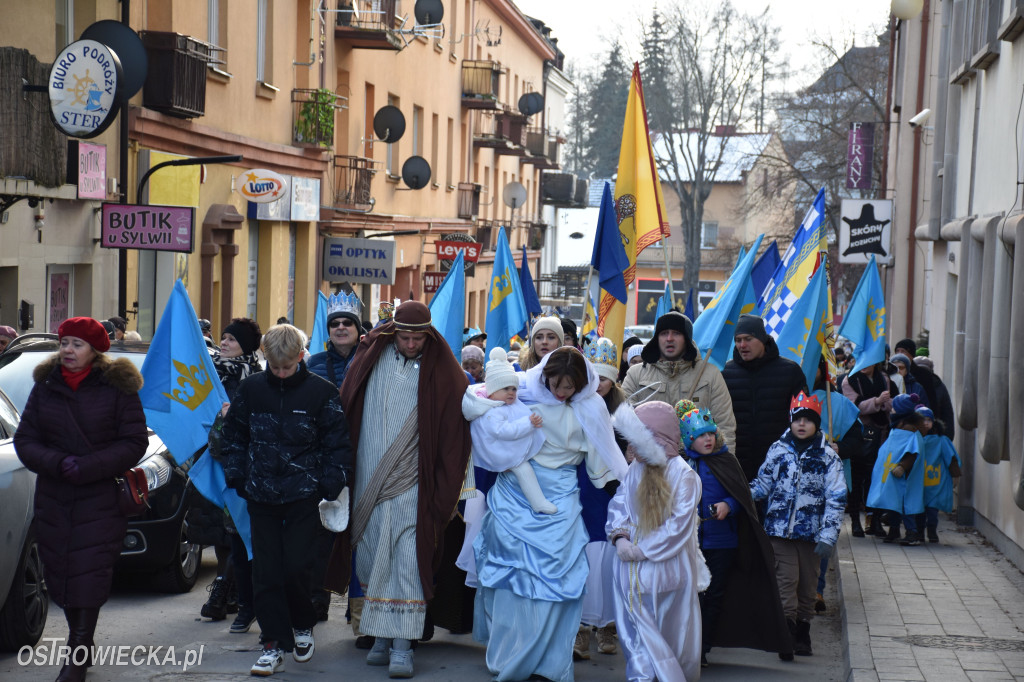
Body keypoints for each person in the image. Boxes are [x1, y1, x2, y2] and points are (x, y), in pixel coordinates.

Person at [325, 301, 472, 678]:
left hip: (414, 484)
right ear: (394, 333)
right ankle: (380, 638)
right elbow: (347, 406)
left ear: (428, 333)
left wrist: (453, 489)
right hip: (368, 480)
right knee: (374, 559)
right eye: (404, 337)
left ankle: (403, 646)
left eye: (417, 338)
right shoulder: (370, 357)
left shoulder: (445, 370)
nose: (410, 344)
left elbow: (459, 434)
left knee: (407, 560)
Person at [474, 347, 627, 682]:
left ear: (582, 383)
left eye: (569, 386)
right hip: (515, 489)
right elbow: (482, 411)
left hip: (560, 497)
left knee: (558, 581)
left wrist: (620, 487)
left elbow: (600, 459)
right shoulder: (522, 392)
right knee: (509, 579)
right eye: (555, 383)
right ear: (544, 375)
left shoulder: (592, 406)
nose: (560, 392)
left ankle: (549, 663)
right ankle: (510, 654)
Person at [15, 317, 149, 682]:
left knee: (89, 574)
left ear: (95, 350)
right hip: (55, 496)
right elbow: (25, 440)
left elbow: (135, 442)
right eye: (64, 343)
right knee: (59, 574)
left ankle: (76, 654)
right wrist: (57, 463)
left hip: (99, 498)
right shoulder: (45, 386)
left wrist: (90, 466)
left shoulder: (118, 388)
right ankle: (82, 641)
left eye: (76, 344)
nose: (68, 351)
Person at [222, 324, 351, 676]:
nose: (280, 373)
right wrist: (238, 476)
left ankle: (302, 624)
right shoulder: (251, 390)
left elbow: (337, 444)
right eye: (274, 367)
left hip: (303, 495)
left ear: (299, 358)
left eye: (286, 367)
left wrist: (327, 483)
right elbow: (234, 436)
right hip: (260, 494)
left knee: (296, 567)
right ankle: (274, 643)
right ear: (266, 358)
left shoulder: (321, 393)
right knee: (266, 572)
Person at [676, 399, 793, 665]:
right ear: (688, 439)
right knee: (689, 595)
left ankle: (702, 649)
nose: (707, 440)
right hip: (688, 542)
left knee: (714, 595)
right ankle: (687, 645)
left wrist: (728, 505)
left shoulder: (726, 461)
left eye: (710, 434)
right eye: (700, 436)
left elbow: (743, 499)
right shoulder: (680, 464)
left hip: (722, 542)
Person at [606, 400, 702, 681]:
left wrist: (643, 550)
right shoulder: (636, 469)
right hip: (630, 571)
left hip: (666, 568)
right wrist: (620, 537)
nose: (631, 449)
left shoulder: (684, 475)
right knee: (637, 637)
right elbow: (620, 504)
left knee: (667, 636)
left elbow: (678, 525)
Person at [749, 392, 846, 657]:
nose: (801, 424)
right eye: (797, 419)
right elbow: (763, 484)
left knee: (807, 587)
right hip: (779, 532)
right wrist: (740, 493)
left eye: (808, 420)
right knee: (785, 582)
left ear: (817, 424)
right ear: (790, 421)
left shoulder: (828, 457)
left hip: (811, 534)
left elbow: (836, 498)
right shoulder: (778, 450)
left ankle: (803, 630)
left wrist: (829, 535)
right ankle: (787, 634)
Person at [196, 317, 263, 626]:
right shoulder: (210, 374)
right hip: (212, 461)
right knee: (222, 536)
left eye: (232, 340)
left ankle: (223, 592)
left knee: (238, 531)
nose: (223, 343)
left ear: (246, 347)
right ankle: (231, 591)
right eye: (222, 338)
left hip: (242, 465)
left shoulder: (254, 377)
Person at [622, 311, 737, 452]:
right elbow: (623, 421)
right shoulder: (636, 374)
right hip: (649, 466)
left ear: (687, 339)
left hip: (698, 468)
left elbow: (725, 427)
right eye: (664, 333)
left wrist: (723, 469)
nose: (669, 338)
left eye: (676, 333)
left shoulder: (710, 375)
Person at [722, 314, 808, 481]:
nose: (742, 345)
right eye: (738, 340)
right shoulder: (725, 373)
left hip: (780, 468)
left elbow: (803, 415)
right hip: (738, 467)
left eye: (748, 338)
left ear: (763, 339)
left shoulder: (790, 371)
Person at [463, 347, 551, 513]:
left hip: (504, 447)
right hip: (497, 452)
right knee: (523, 468)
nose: (511, 393)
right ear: (492, 390)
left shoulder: (502, 403)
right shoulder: (491, 412)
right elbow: (504, 431)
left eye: (514, 389)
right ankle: (538, 501)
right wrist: (528, 423)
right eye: (506, 389)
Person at [842, 360, 897, 537]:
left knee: (876, 478)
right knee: (857, 479)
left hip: (881, 434)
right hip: (858, 433)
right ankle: (856, 521)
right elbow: (853, 407)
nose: (864, 364)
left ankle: (874, 520)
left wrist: (883, 403)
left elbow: (891, 404)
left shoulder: (884, 378)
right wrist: (877, 401)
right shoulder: (849, 380)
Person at [866, 394, 927, 546]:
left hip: (903, 476)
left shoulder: (911, 432)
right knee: (893, 503)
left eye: (894, 408)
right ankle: (894, 530)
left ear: (901, 412)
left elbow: (913, 452)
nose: (891, 410)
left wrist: (902, 466)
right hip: (891, 475)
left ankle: (912, 533)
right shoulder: (897, 428)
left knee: (905, 505)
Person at [894, 338, 956, 440]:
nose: (899, 354)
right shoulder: (890, 377)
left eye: (903, 351)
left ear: (911, 354)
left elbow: (934, 405)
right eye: (897, 351)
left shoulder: (924, 377)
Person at [916, 405, 961, 542]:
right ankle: (919, 533)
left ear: (933, 422)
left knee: (933, 512)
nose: (925, 423)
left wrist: (955, 475)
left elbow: (951, 458)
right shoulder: (914, 439)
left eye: (928, 420)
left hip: (936, 484)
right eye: (922, 420)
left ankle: (932, 531)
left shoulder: (941, 440)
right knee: (919, 511)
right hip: (919, 484)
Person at [308, 292, 363, 389]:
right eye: (334, 324)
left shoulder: (369, 360)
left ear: (358, 329)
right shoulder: (313, 363)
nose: (340, 327)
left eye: (347, 323)